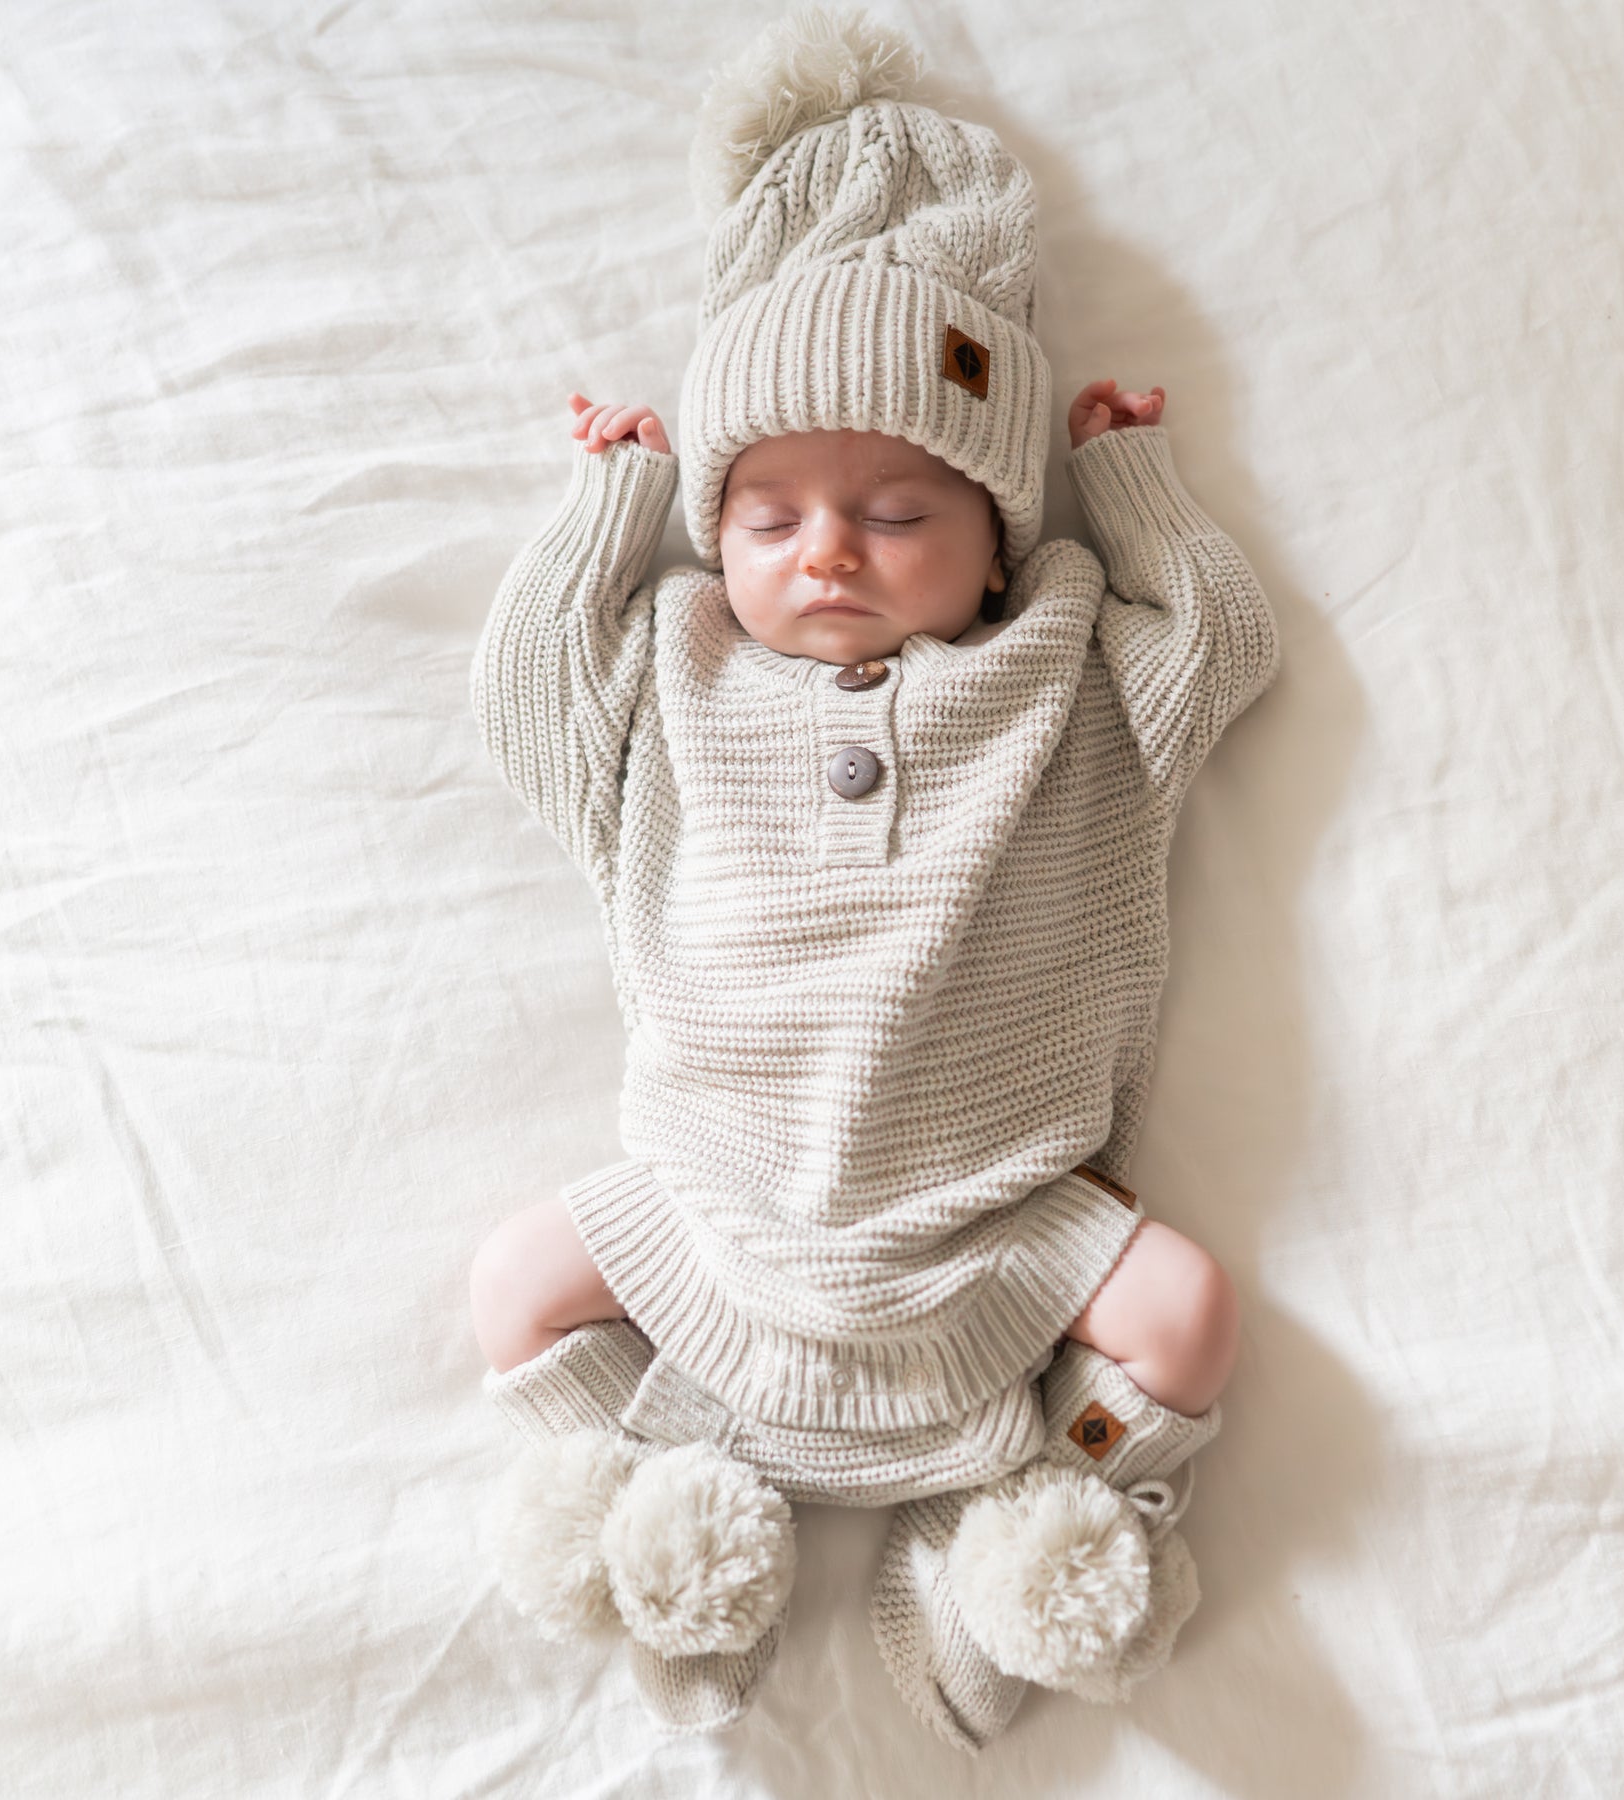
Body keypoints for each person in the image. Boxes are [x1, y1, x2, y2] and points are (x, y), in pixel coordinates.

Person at [463, 6, 1280, 1751]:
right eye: (768, 515)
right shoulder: (683, 675)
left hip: (993, 1216)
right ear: (715, 533)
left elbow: (1218, 646)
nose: (828, 547)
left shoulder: (1062, 670)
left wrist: (1129, 484)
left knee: (1189, 1314)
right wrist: (613, 510)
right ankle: (659, 1499)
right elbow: (526, 702)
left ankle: (1031, 1520)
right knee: (513, 1285)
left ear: (998, 537)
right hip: (719, 1209)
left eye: (899, 512)